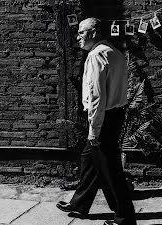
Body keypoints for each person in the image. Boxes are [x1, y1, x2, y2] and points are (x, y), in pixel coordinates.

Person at [57, 17, 136, 225]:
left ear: (93, 33)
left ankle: (124, 217)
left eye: (81, 33)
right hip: (115, 114)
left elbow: (96, 98)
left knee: (110, 170)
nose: (78, 37)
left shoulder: (96, 56)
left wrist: (94, 128)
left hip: (104, 117)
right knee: (88, 159)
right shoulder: (115, 53)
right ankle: (80, 204)